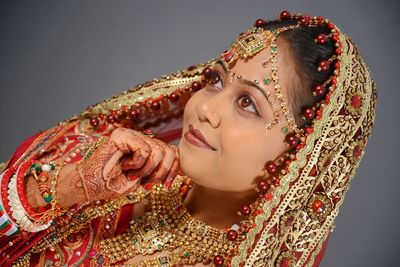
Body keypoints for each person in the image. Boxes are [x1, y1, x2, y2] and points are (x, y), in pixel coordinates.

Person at [0, 11, 376, 267]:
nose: (205, 109)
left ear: (305, 154)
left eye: (248, 103)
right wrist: (62, 188)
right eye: (215, 81)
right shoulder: (105, 166)